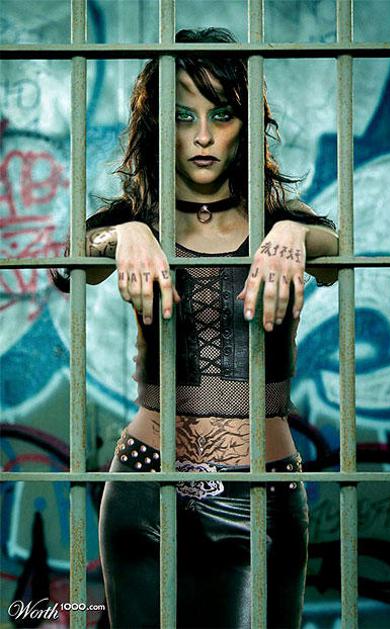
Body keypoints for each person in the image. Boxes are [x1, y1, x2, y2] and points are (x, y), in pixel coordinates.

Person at [52, 27, 338, 629]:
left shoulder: (278, 222)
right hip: (143, 486)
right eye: (183, 117)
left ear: (244, 125)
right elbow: (65, 267)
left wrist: (292, 233)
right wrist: (125, 234)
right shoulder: (138, 220)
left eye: (221, 115)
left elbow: (336, 255)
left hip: (257, 495)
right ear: (160, 126)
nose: (203, 136)